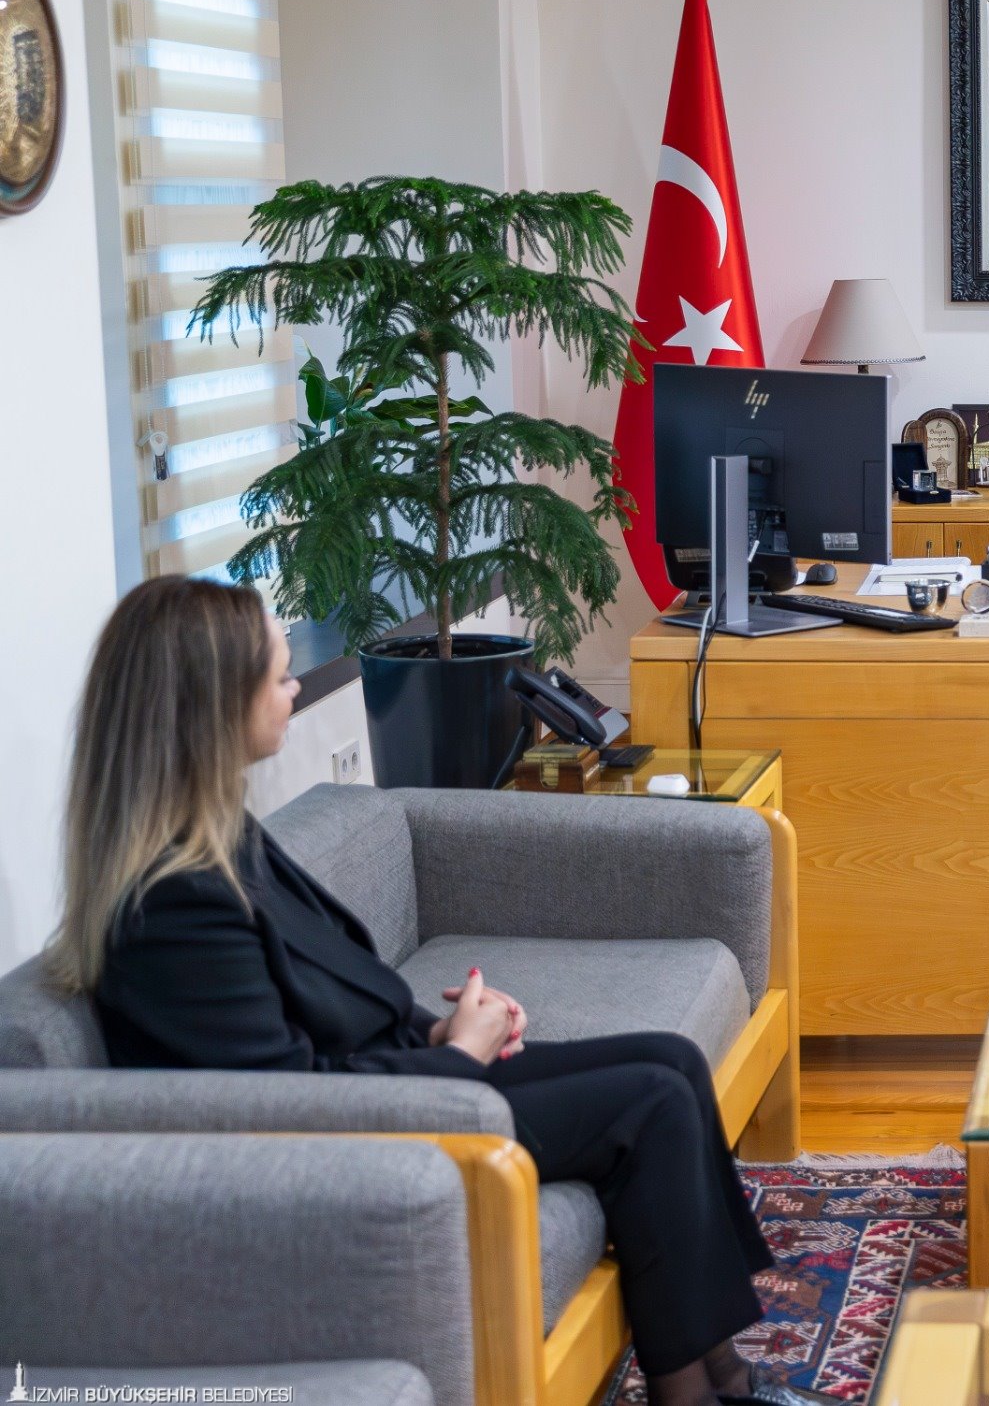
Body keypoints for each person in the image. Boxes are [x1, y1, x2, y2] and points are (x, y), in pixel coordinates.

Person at [47, 577, 822, 1406]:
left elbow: (334, 992)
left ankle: (723, 1375)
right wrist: (459, 1058)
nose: (297, 688)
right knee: (652, 1104)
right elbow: (287, 1104)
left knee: (672, 1062)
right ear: (211, 707)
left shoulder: (221, 838)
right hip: (371, 1139)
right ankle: (693, 1394)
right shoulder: (173, 909)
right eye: (278, 677)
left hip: (406, 1079)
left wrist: (437, 1029)